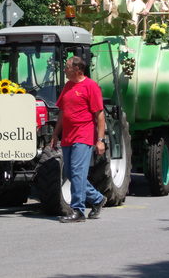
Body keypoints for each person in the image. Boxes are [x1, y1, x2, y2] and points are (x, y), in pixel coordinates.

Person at [51, 56, 106, 223]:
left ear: (78, 70)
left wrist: (100, 140)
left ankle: (78, 210)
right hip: (68, 136)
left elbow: (100, 115)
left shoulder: (91, 86)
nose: (64, 69)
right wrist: (55, 134)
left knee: (76, 172)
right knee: (70, 173)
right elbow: (62, 112)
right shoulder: (68, 86)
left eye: (67, 67)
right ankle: (97, 199)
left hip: (83, 135)